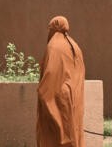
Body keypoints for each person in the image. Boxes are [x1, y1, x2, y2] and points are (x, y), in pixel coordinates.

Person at [36, 15, 85, 147]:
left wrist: (42, 93)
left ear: (53, 28)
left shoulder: (53, 46)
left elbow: (50, 75)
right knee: (72, 131)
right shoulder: (75, 46)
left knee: (57, 136)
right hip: (74, 99)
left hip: (59, 99)